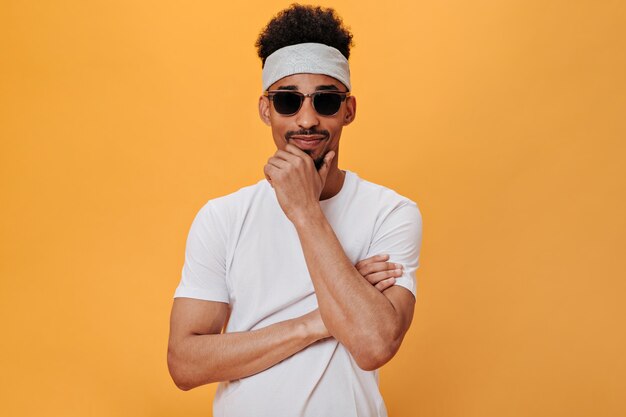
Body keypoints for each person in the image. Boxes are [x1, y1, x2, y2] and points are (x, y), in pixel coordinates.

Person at [167, 4, 423, 416]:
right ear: (266, 108)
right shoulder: (223, 217)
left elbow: (374, 343)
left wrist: (305, 211)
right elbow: (185, 363)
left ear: (349, 110)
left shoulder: (391, 213)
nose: (307, 120)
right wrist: (322, 320)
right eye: (288, 101)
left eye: (326, 101)